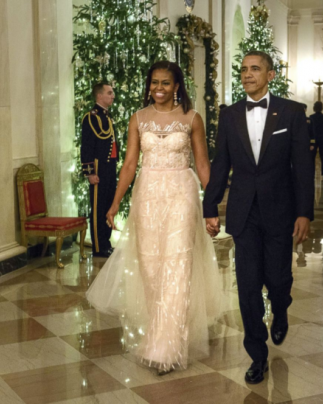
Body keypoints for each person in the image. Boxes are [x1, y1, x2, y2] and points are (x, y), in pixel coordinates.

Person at [86, 61, 224, 376]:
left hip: (181, 194)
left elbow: (203, 165)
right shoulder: (138, 118)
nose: (158, 89)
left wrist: (211, 206)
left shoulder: (192, 118)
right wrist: (114, 202)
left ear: (177, 86)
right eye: (154, 83)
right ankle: (160, 331)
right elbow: (130, 163)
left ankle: (168, 346)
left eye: (165, 83)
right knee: (150, 268)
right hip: (147, 196)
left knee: (177, 266)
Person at [203, 51, 314, 385]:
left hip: (281, 211)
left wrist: (304, 213)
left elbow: (303, 169)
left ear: (271, 75)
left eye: (255, 69)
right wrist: (210, 207)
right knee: (248, 286)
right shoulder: (230, 115)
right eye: (244, 70)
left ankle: (280, 308)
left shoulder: (292, 112)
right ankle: (257, 354)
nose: (248, 74)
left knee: (278, 280)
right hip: (244, 213)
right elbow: (220, 164)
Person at [80, 83, 119, 257]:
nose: (113, 96)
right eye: (109, 93)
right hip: (98, 169)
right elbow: (87, 147)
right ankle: (98, 246)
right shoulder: (91, 117)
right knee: (98, 208)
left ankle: (106, 242)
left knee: (108, 205)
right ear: (99, 96)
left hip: (109, 168)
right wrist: (90, 173)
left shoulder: (107, 117)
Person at [310, 101, 323, 179]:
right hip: (322, 138)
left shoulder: (311, 117)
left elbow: (310, 129)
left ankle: (312, 172)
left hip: (314, 138)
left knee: (312, 157)